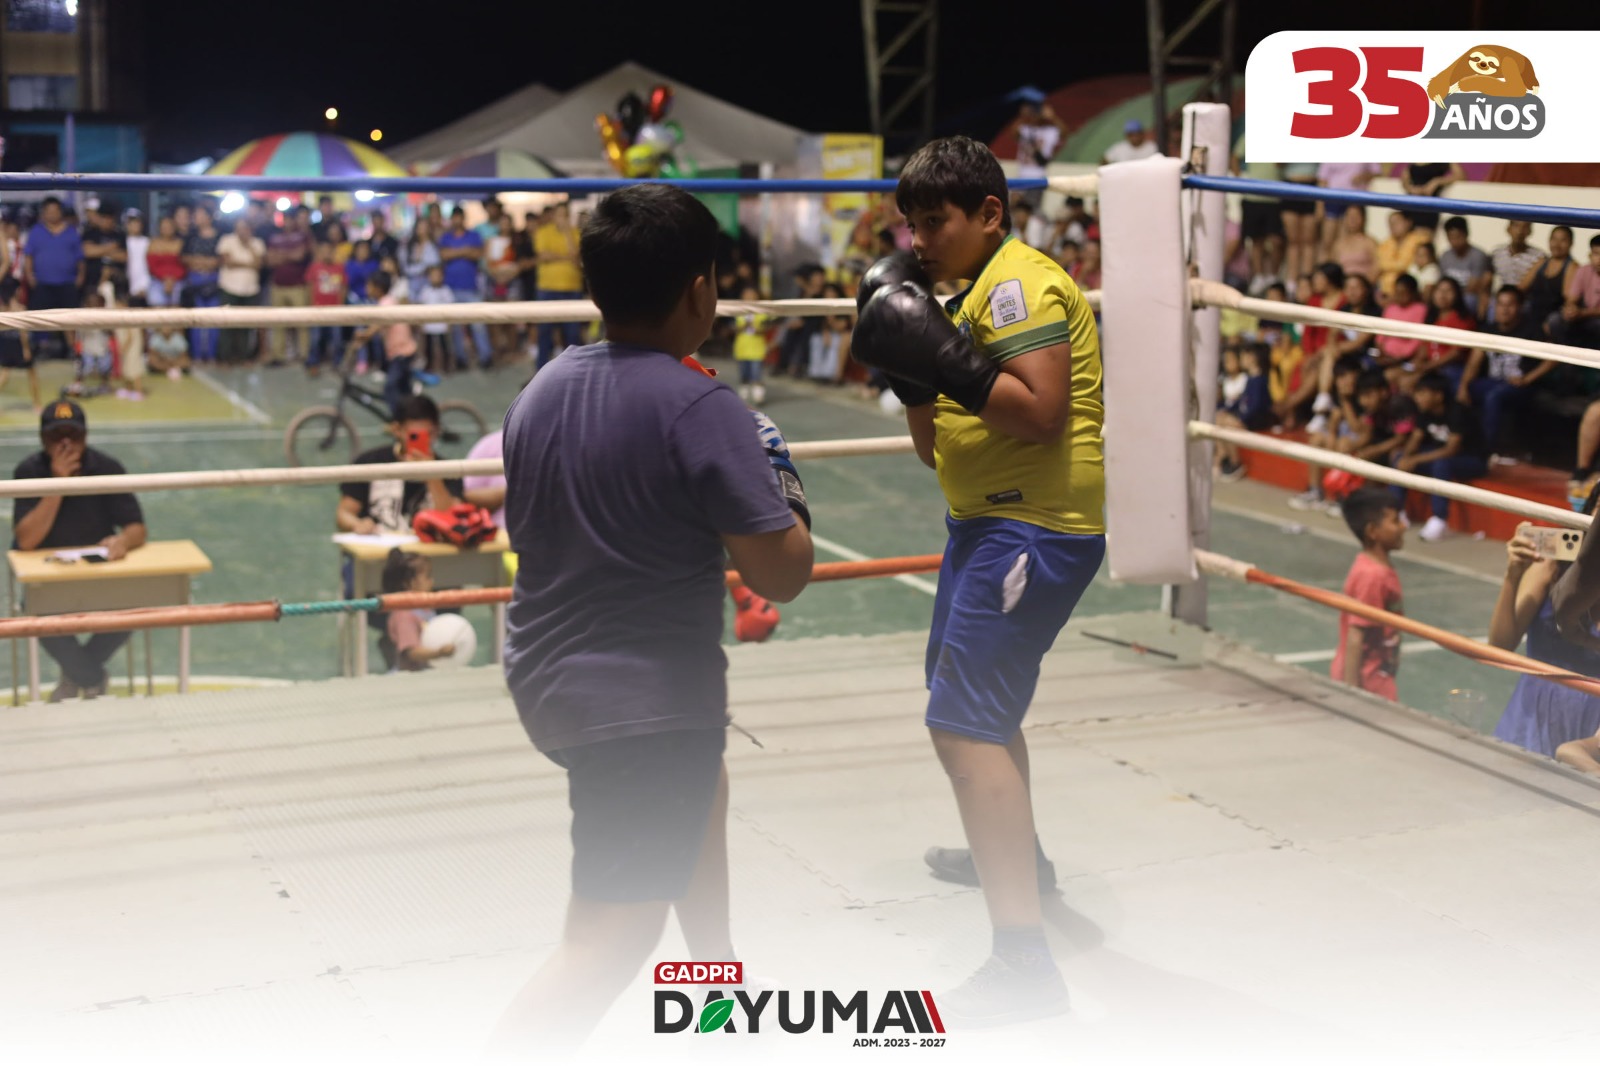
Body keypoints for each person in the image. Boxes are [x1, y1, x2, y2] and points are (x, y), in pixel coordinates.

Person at [482, 184, 812, 1055]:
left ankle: (718, 994)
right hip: (638, 705)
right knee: (610, 938)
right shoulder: (701, 407)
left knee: (702, 789)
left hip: (552, 674)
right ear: (702, 290)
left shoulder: (543, 389)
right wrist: (778, 472)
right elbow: (782, 574)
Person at [851, 135, 1104, 1026]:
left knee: (962, 723)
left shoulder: (1017, 285)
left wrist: (937, 350)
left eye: (935, 223)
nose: (919, 242)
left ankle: (1025, 965)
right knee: (973, 708)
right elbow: (934, 449)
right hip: (984, 523)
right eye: (911, 226)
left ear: (990, 214)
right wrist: (911, 369)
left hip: (1032, 529)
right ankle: (1019, 859)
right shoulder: (965, 297)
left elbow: (1041, 415)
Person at [11, 401, 148, 701]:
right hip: (48, 580)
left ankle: (76, 677)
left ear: (85, 435)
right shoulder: (28, 471)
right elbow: (27, 540)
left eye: (73, 435)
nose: (65, 443)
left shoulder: (107, 468)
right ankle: (92, 678)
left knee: (134, 609)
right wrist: (58, 484)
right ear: (42, 438)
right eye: (56, 436)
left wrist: (123, 541)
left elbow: (137, 527)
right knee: (39, 617)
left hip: (101, 575)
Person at [1488, 493, 1600, 758]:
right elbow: (1499, 646)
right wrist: (1513, 575)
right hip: (1532, 714)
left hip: (1593, 729)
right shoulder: (1550, 568)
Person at [1331, 486, 1406, 701]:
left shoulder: (1376, 568)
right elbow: (1356, 636)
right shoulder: (1373, 577)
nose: (1403, 526)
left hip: (1379, 672)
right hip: (1367, 681)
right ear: (1373, 531)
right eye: (1395, 521)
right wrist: (1351, 693)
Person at [1395, 371, 1486, 542]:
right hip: (1441, 458)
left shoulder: (1458, 411)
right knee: (1399, 458)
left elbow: (1451, 450)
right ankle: (1397, 511)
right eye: (1417, 393)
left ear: (1438, 395)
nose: (1417, 398)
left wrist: (1415, 460)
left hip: (1472, 460)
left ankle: (1439, 519)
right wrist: (1405, 457)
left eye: (1422, 393)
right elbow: (1415, 440)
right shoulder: (1424, 412)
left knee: (1441, 464)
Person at [21, 196, 84, 361]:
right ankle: (42, 348)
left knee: (70, 317)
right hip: (42, 283)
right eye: (49, 211)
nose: (52, 214)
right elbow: (28, 256)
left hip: (67, 282)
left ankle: (71, 349)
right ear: (43, 213)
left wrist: (80, 276)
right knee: (41, 317)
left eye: (55, 211)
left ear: (60, 212)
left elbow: (80, 258)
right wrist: (30, 276)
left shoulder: (71, 231)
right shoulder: (36, 231)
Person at [380, 550, 455, 672]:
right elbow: (411, 652)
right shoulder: (404, 615)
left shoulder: (425, 609)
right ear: (410, 583)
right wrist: (438, 653)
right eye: (428, 576)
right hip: (409, 678)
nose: (432, 581)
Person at [533, 201, 584, 368]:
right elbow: (543, 256)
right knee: (544, 332)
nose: (561, 218)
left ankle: (573, 370)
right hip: (547, 288)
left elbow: (576, 257)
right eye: (559, 214)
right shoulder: (543, 232)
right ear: (553, 216)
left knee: (572, 334)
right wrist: (566, 257)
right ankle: (541, 369)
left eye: (564, 215)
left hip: (572, 288)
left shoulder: (576, 233)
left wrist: (567, 234)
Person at [439, 207, 490, 367]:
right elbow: (444, 255)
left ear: (463, 218)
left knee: (478, 324)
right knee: (455, 327)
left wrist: (455, 252)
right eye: (454, 217)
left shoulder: (473, 235)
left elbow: (477, 254)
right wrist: (465, 250)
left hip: (471, 287)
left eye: (459, 217)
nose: (457, 220)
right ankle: (461, 359)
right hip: (451, 288)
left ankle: (485, 357)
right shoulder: (446, 237)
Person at [0, 277, 41, 412]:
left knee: (4, 374)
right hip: (17, 344)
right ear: (16, 291)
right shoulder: (20, 308)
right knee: (31, 374)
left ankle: (37, 404)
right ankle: (37, 405)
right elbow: (23, 333)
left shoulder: (2, 308)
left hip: (5, 343)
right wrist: (26, 349)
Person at [732, 285, 770, 404]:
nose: (749, 297)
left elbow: (765, 328)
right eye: (746, 295)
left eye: (752, 294)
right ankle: (743, 396)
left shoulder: (762, 313)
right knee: (744, 374)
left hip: (757, 349)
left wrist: (755, 326)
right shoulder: (738, 312)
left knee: (756, 374)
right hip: (742, 349)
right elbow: (734, 329)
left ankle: (759, 396)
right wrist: (744, 325)